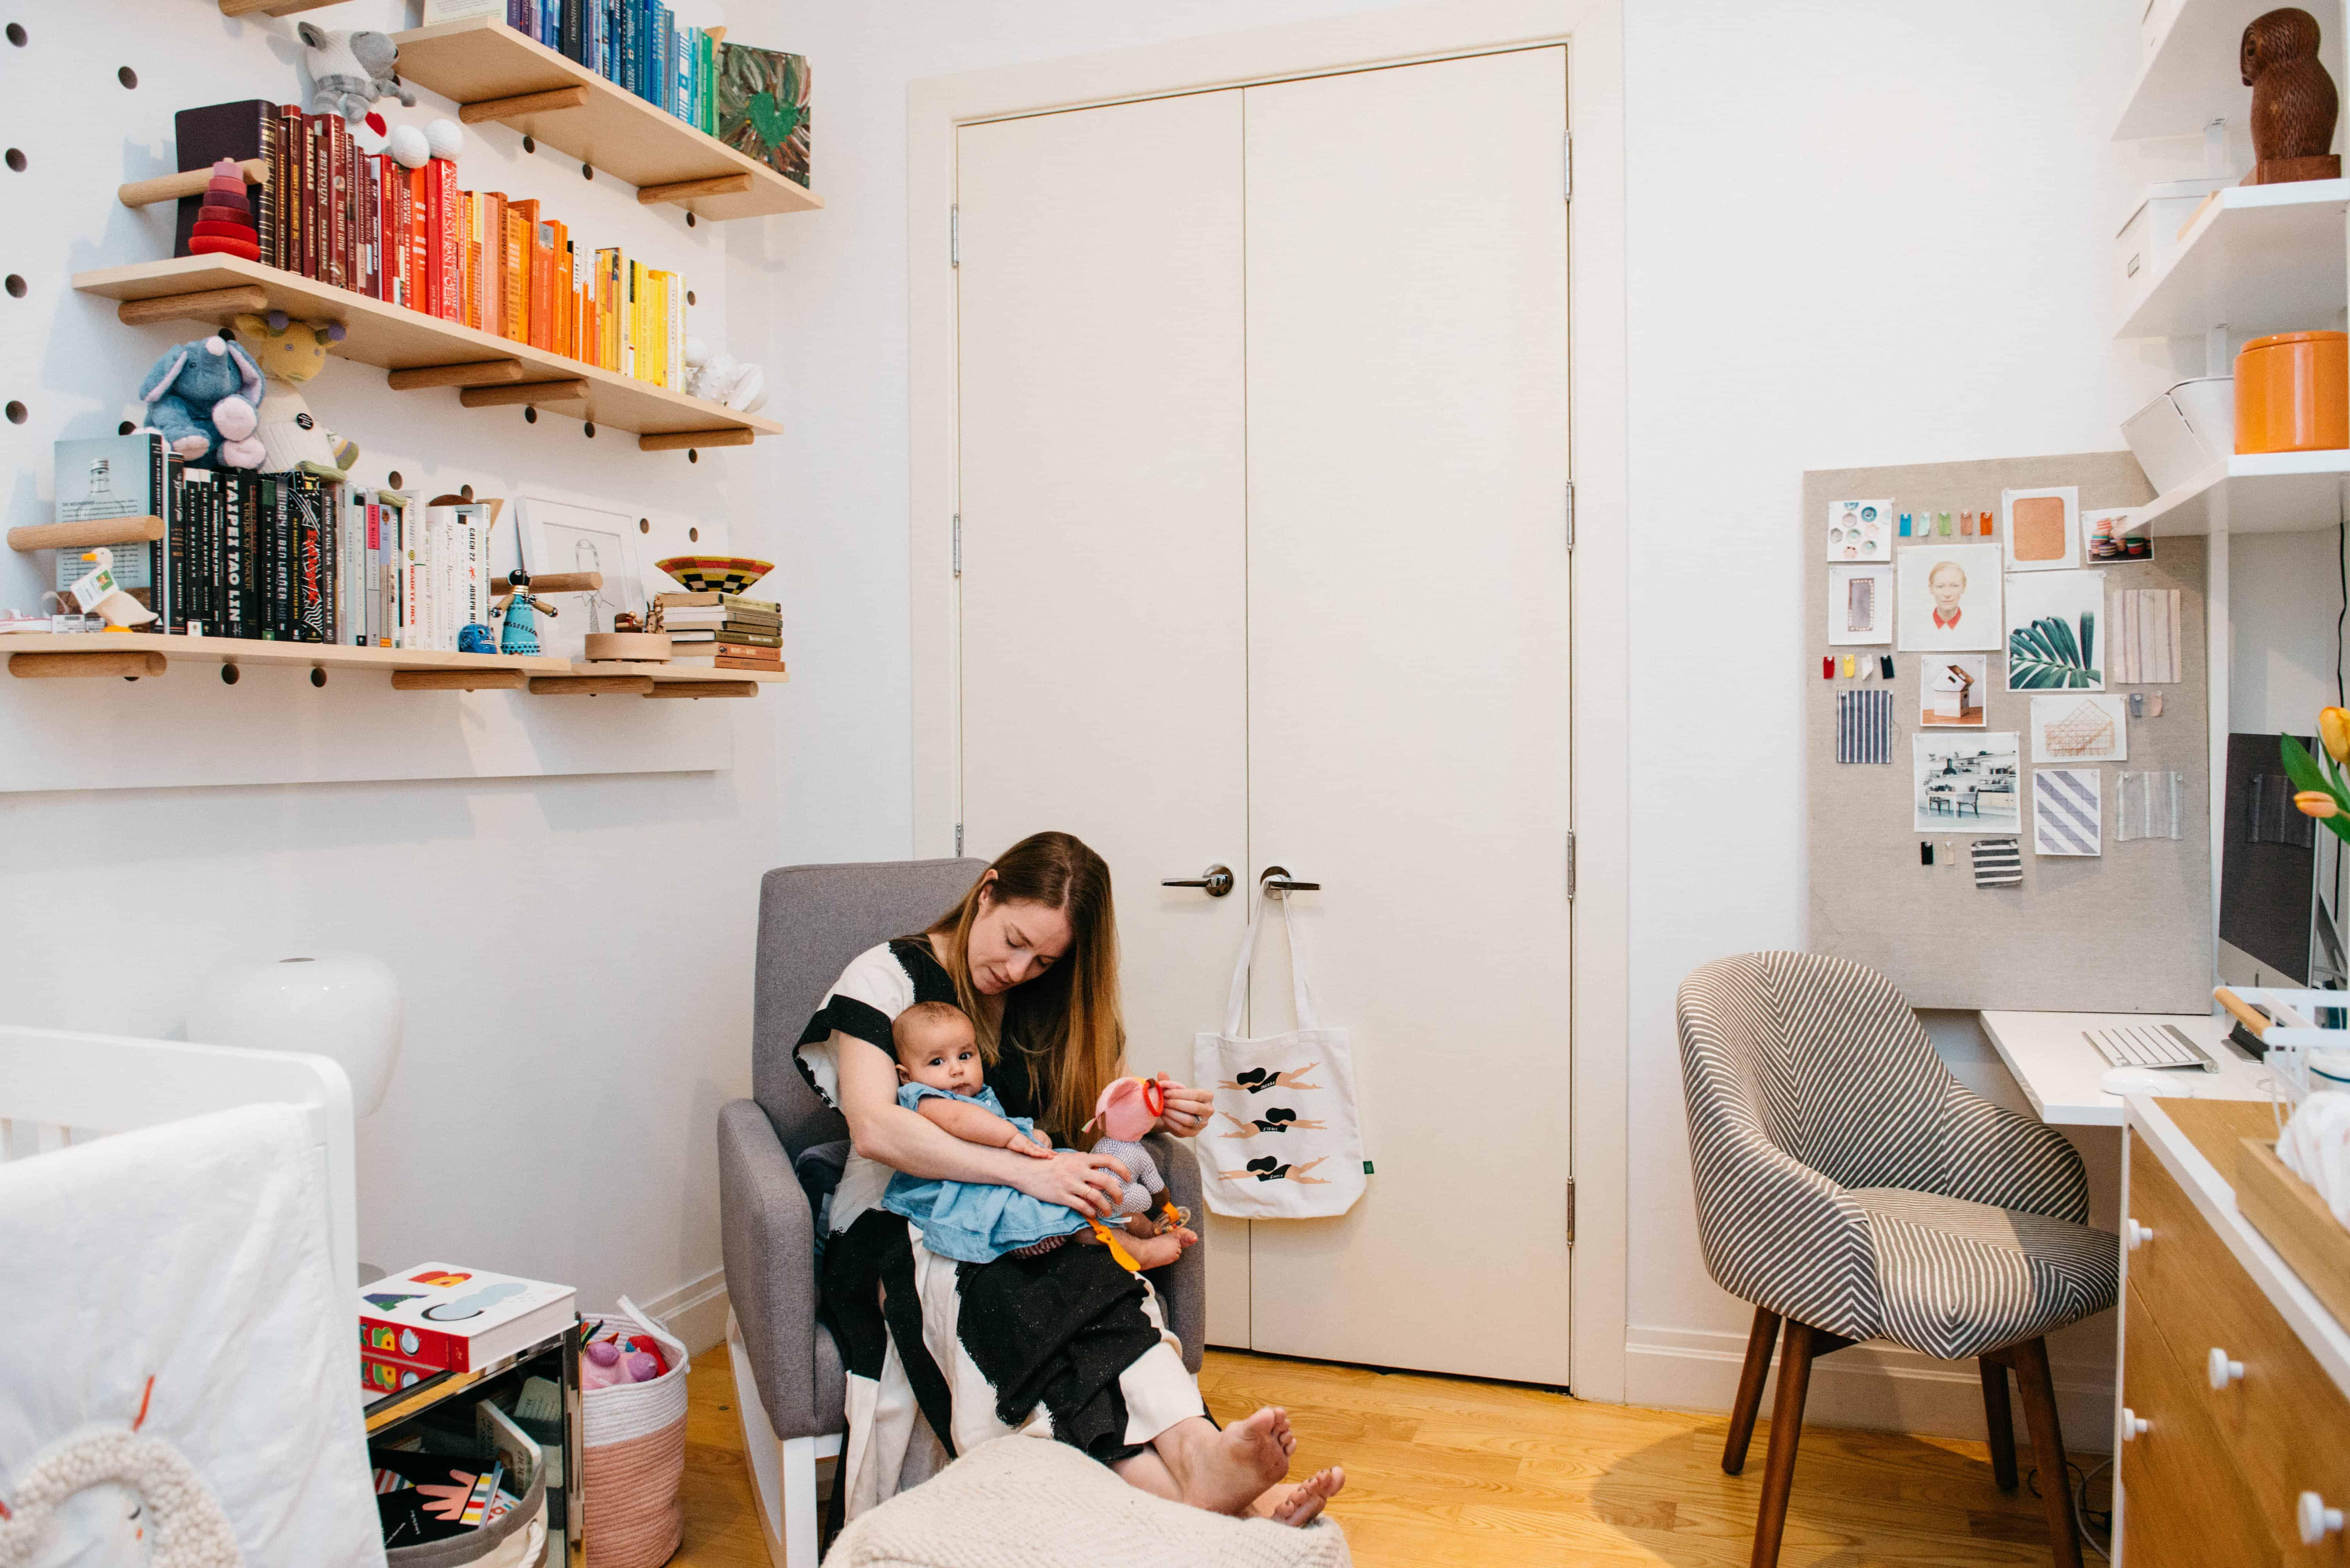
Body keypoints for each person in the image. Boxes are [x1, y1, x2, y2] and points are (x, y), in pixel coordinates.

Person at [795, 832, 1344, 1527]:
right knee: (1025, 1309)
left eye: (1043, 959)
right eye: (1013, 941)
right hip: (902, 1220)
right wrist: (1033, 1173)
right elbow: (877, 1127)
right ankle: (1209, 1514)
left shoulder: (1046, 998)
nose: (1018, 970)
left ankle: (1202, 1460)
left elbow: (1077, 1133)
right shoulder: (885, 979)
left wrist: (1150, 1112)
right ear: (986, 891)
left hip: (1031, 1213)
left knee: (1106, 1289)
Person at [878, 999, 1196, 1263]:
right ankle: (1140, 1251)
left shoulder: (975, 1095)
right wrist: (1014, 1137)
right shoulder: (926, 1099)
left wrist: (1031, 1134)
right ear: (907, 1076)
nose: (957, 1069)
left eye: (965, 1055)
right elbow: (964, 1122)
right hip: (965, 1193)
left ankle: (1148, 1228)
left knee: (1093, 1190)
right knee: (1075, 1216)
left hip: (1004, 1180)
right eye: (937, 1061)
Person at [1928, 558, 1968, 631]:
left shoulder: (1977, 627)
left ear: (1964, 588)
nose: (1947, 594)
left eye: (1955, 586)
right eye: (1940, 586)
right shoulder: (1917, 627)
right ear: (1931, 589)